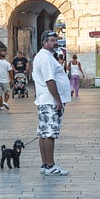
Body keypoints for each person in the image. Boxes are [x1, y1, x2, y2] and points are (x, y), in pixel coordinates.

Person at [33, 30, 71, 176]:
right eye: (52, 40)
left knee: (44, 132)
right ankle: (50, 165)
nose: (55, 43)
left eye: (56, 40)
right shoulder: (46, 57)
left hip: (45, 100)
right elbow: (50, 80)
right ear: (44, 42)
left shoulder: (45, 56)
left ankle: (45, 164)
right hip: (50, 101)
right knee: (49, 133)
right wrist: (58, 99)